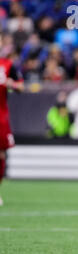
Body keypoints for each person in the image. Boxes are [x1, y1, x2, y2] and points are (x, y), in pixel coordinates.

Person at [0, 33, 24, 206]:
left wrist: (12, 85)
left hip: (1, 115)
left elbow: (21, 86)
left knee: (1, 153)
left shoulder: (8, 65)